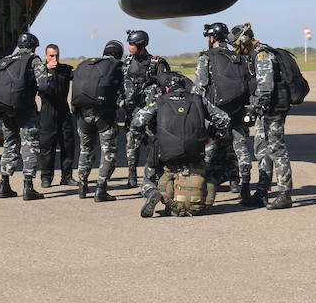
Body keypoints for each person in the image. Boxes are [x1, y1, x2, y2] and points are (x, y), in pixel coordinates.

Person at [130, 72, 230, 217]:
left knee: (149, 177)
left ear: (166, 88)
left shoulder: (159, 102)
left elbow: (137, 122)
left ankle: (152, 192)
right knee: (202, 170)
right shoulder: (198, 100)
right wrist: (211, 136)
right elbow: (224, 119)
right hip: (196, 152)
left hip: (165, 153)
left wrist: (146, 136)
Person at [229, 23, 293, 210]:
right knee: (261, 150)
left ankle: (284, 193)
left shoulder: (262, 55)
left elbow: (265, 87)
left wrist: (254, 109)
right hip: (264, 111)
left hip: (272, 110)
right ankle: (262, 191)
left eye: (236, 44)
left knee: (277, 150)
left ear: (244, 39)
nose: (235, 48)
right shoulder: (252, 55)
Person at [193, 22, 255, 204]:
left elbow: (200, 86)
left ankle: (204, 189)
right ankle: (242, 186)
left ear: (212, 38)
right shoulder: (238, 57)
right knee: (240, 149)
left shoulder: (206, 57)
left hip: (215, 112)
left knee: (208, 149)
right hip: (237, 110)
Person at [0, 32, 46, 201]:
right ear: (33, 46)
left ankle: (4, 184)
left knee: (9, 145)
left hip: (6, 110)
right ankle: (28, 187)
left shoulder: (7, 61)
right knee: (29, 145)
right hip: (26, 111)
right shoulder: (33, 60)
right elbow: (44, 84)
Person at [73, 40, 125, 202]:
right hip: (104, 116)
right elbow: (125, 93)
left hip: (82, 114)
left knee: (85, 149)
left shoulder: (86, 65)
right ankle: (101, 189)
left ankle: (82, 186)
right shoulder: (117, 66)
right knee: (108, 152)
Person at [122, 29, 171, 188]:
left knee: (153, 144)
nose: (129, 47)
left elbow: (166, 86)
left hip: (151, 114)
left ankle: (153, 176)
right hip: (133, 113)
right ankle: (131, 177)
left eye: (132, 44)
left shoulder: (156, 63)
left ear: (141, 45)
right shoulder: (127, 62)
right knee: (131, 145)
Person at [37, 44, 78, 188]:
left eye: (57, 55)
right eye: (51, 56)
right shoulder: (40, 70)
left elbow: (79, 76)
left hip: (64, 111)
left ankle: (67, 176)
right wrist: (48, 70)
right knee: (47, 147)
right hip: (47, 112)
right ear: (46, 56)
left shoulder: (65, 69)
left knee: (68, 145)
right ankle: (46, 177)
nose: (54, 58)